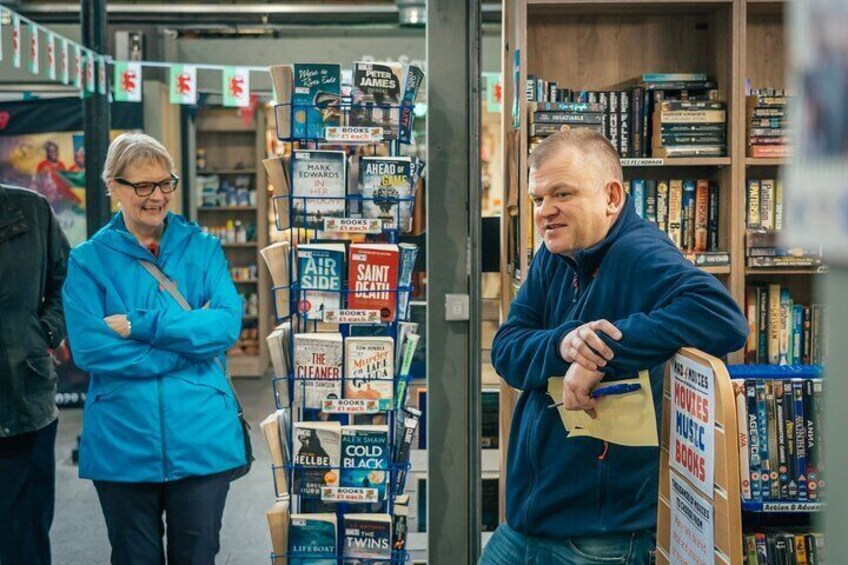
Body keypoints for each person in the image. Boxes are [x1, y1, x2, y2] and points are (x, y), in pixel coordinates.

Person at [481, 129, 748, 564]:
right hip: (525, 522)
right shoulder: (553, 253)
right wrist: (566, 344)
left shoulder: (640, 252)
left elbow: (722, 318)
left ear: (611, 197)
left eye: (562, 193)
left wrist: (600, 353)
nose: (545, 211)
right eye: (537, 199)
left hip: (597, 541)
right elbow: (507, 350)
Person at [62, 133, 245, 565]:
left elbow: (225, 325)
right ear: (114, 186)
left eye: (165, 183)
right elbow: (91, 350)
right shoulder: (88, 261)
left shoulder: (204, 248)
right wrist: (190, 345)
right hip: (123, 443)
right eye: (143, 186)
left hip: (203, 440)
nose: (158, 196)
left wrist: (143, 326)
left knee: (197, 556)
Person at [0, 182, 70, 565]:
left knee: (25, 537)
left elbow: (67, 281)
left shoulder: (31, 210)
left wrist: (44, 332)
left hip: (25, 400)